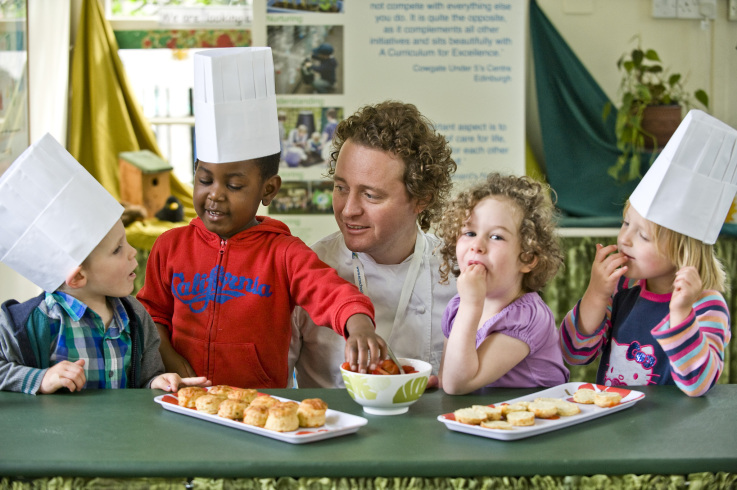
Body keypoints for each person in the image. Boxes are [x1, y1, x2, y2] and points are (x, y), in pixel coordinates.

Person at [137, 47, 386, 389]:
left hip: (258, 403)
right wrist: (173, 362)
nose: (215, 194)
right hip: (184, 397)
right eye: (204, 179)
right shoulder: (169, 247)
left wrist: (358, 323)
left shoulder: (284, 254)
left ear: (268, 190)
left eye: (235, 185)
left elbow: (328, 291)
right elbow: (151, 316)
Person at [0, 134, 209, 394]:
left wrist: (157, 382)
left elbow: (146, 378)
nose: (133, 252)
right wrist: (39, 379)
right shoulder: (24, 324)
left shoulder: (136, 317)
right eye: (117, 249)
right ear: (77, 277)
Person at [560, 110, 734, 397]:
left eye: (642, 235)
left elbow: (698, 384)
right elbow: (573, 354)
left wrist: (680, 313)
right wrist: (595, 292)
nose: (625, 238)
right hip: (616, 429)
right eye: (625, 223)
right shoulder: (622, 290)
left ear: (682, 251)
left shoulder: (707, 306)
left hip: (670, 437)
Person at [289, 100, 458, 388]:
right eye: (341, 188)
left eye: (371, 195)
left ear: (421, 198)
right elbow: (275, 389)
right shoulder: (306, 270)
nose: (348, 210)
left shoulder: (458, 274)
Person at [435, 173, 569, 395]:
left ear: (527, 258)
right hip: (484, 420)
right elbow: (448, 378)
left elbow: (457, 384)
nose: (477, 245)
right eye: (469, 232)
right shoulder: (458, 307)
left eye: (496, 237)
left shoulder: (528, 318)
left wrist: (471, 303)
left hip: (539, 422)